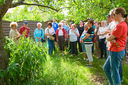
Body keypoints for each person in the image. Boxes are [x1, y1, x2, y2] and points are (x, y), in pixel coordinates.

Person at [103, 8, 128, 85]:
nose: (113, 16)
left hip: (116, 51)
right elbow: (112, 37)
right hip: (114, 50)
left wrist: (108, 36)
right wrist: (111, 37)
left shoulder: (121, 25)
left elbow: (109, 37)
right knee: (106, 68)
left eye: (114, 14)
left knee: (114, 73)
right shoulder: (120, 25)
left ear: (119, 15)